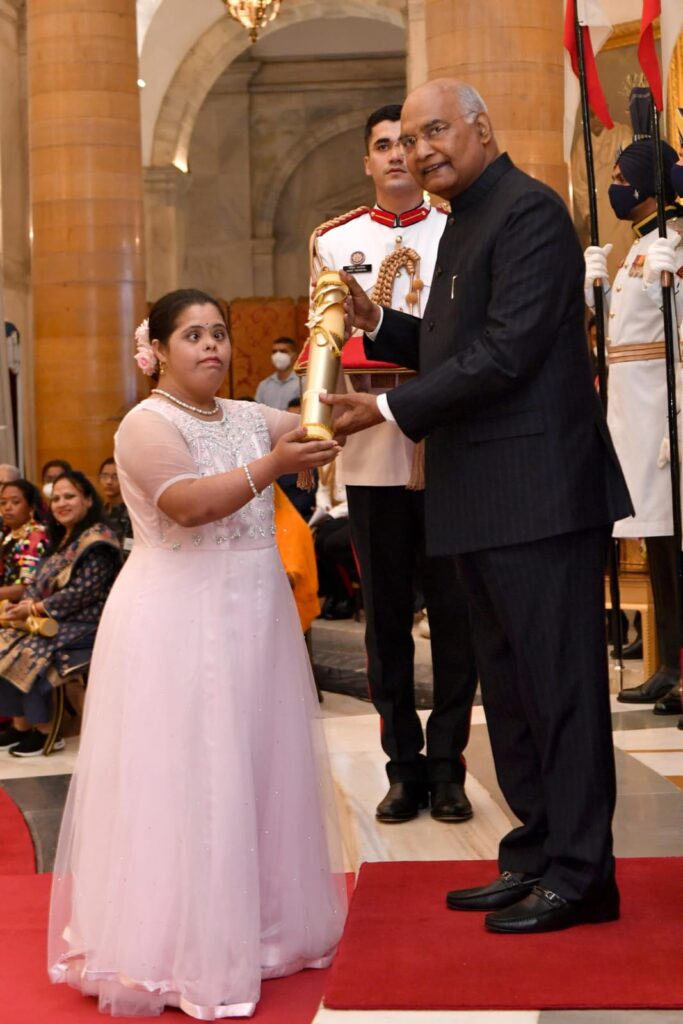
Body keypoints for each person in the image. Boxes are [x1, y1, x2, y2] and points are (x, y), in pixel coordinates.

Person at [324, 79, 632, 934]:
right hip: (479, 499)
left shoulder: (528, 213)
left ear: (481, 130)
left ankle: (582, 876)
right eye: (410, 139)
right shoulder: (466, 221)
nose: (420, 152)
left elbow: (504, 353)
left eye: (435, 133)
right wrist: (374, 317)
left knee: (560, 691)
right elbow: (443, 343)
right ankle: (534, 852)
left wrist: (384, 409)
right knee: (512, 692)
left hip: (537, 498)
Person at [48, 288, 346, 1018]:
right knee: (191, 770)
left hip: (254, 610)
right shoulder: (145, 424)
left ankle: (265, 931)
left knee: (259, 758)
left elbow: (327, 413)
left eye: (218, 333)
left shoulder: (246, 415)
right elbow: (186, 506)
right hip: (178, 617)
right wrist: (274, 465)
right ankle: (175, 944)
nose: (210, 346)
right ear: (157, 349)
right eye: (192, 335)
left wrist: (346, 352)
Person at [311, 103, 478, 824]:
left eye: (403, 144)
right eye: (380, 146)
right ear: (366, 160)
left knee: (452, 612)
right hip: (368, 435)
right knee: (382, 618)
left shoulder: (459, 229)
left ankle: (448, 764)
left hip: (446, 436)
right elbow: (318, 339)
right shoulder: (333, 240)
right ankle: (401, 766)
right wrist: (316, 435)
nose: (393, 157)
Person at [584, 139, 683, 715]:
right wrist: (595, 297)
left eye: (623, 175)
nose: (616, 184)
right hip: (632, 412)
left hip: (665, 413)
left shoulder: (673, 245)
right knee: (659, 542)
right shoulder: (637, 248)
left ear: (649, 184)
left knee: (677, 543)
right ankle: (669, 663)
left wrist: (668, 288)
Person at [0, 471, 120, 757]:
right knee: (5, 639)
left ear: (88, 500)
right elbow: (37, 582)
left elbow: (82, 593)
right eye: (56, 498)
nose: (61, 503)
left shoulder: (98, 540)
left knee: (30, 650)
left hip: (87, 620)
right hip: (53, 617)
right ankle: (21, 724)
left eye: (70, 496)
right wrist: (24, 607)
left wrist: (35, 608)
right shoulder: (63, 537)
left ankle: (45, 730)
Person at [0, 479, 49, 604]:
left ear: (31, 507)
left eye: (15, 502)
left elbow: (25, 588)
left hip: (21, 609)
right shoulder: (7, 534)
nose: (7, 508)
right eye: (3, 502)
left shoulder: (36, 536)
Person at [98, 456, 134, 555]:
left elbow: (128, 549)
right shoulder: (100, 511)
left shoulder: (131, 512)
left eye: (115, 477)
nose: (109, 482)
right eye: (104, 476)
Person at [254, 336, 301, 410]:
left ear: (294, 355)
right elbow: (257, 412)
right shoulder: (264, 385)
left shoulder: (303, 382)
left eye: (283, 351)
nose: (278, 355)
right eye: (274, 351)